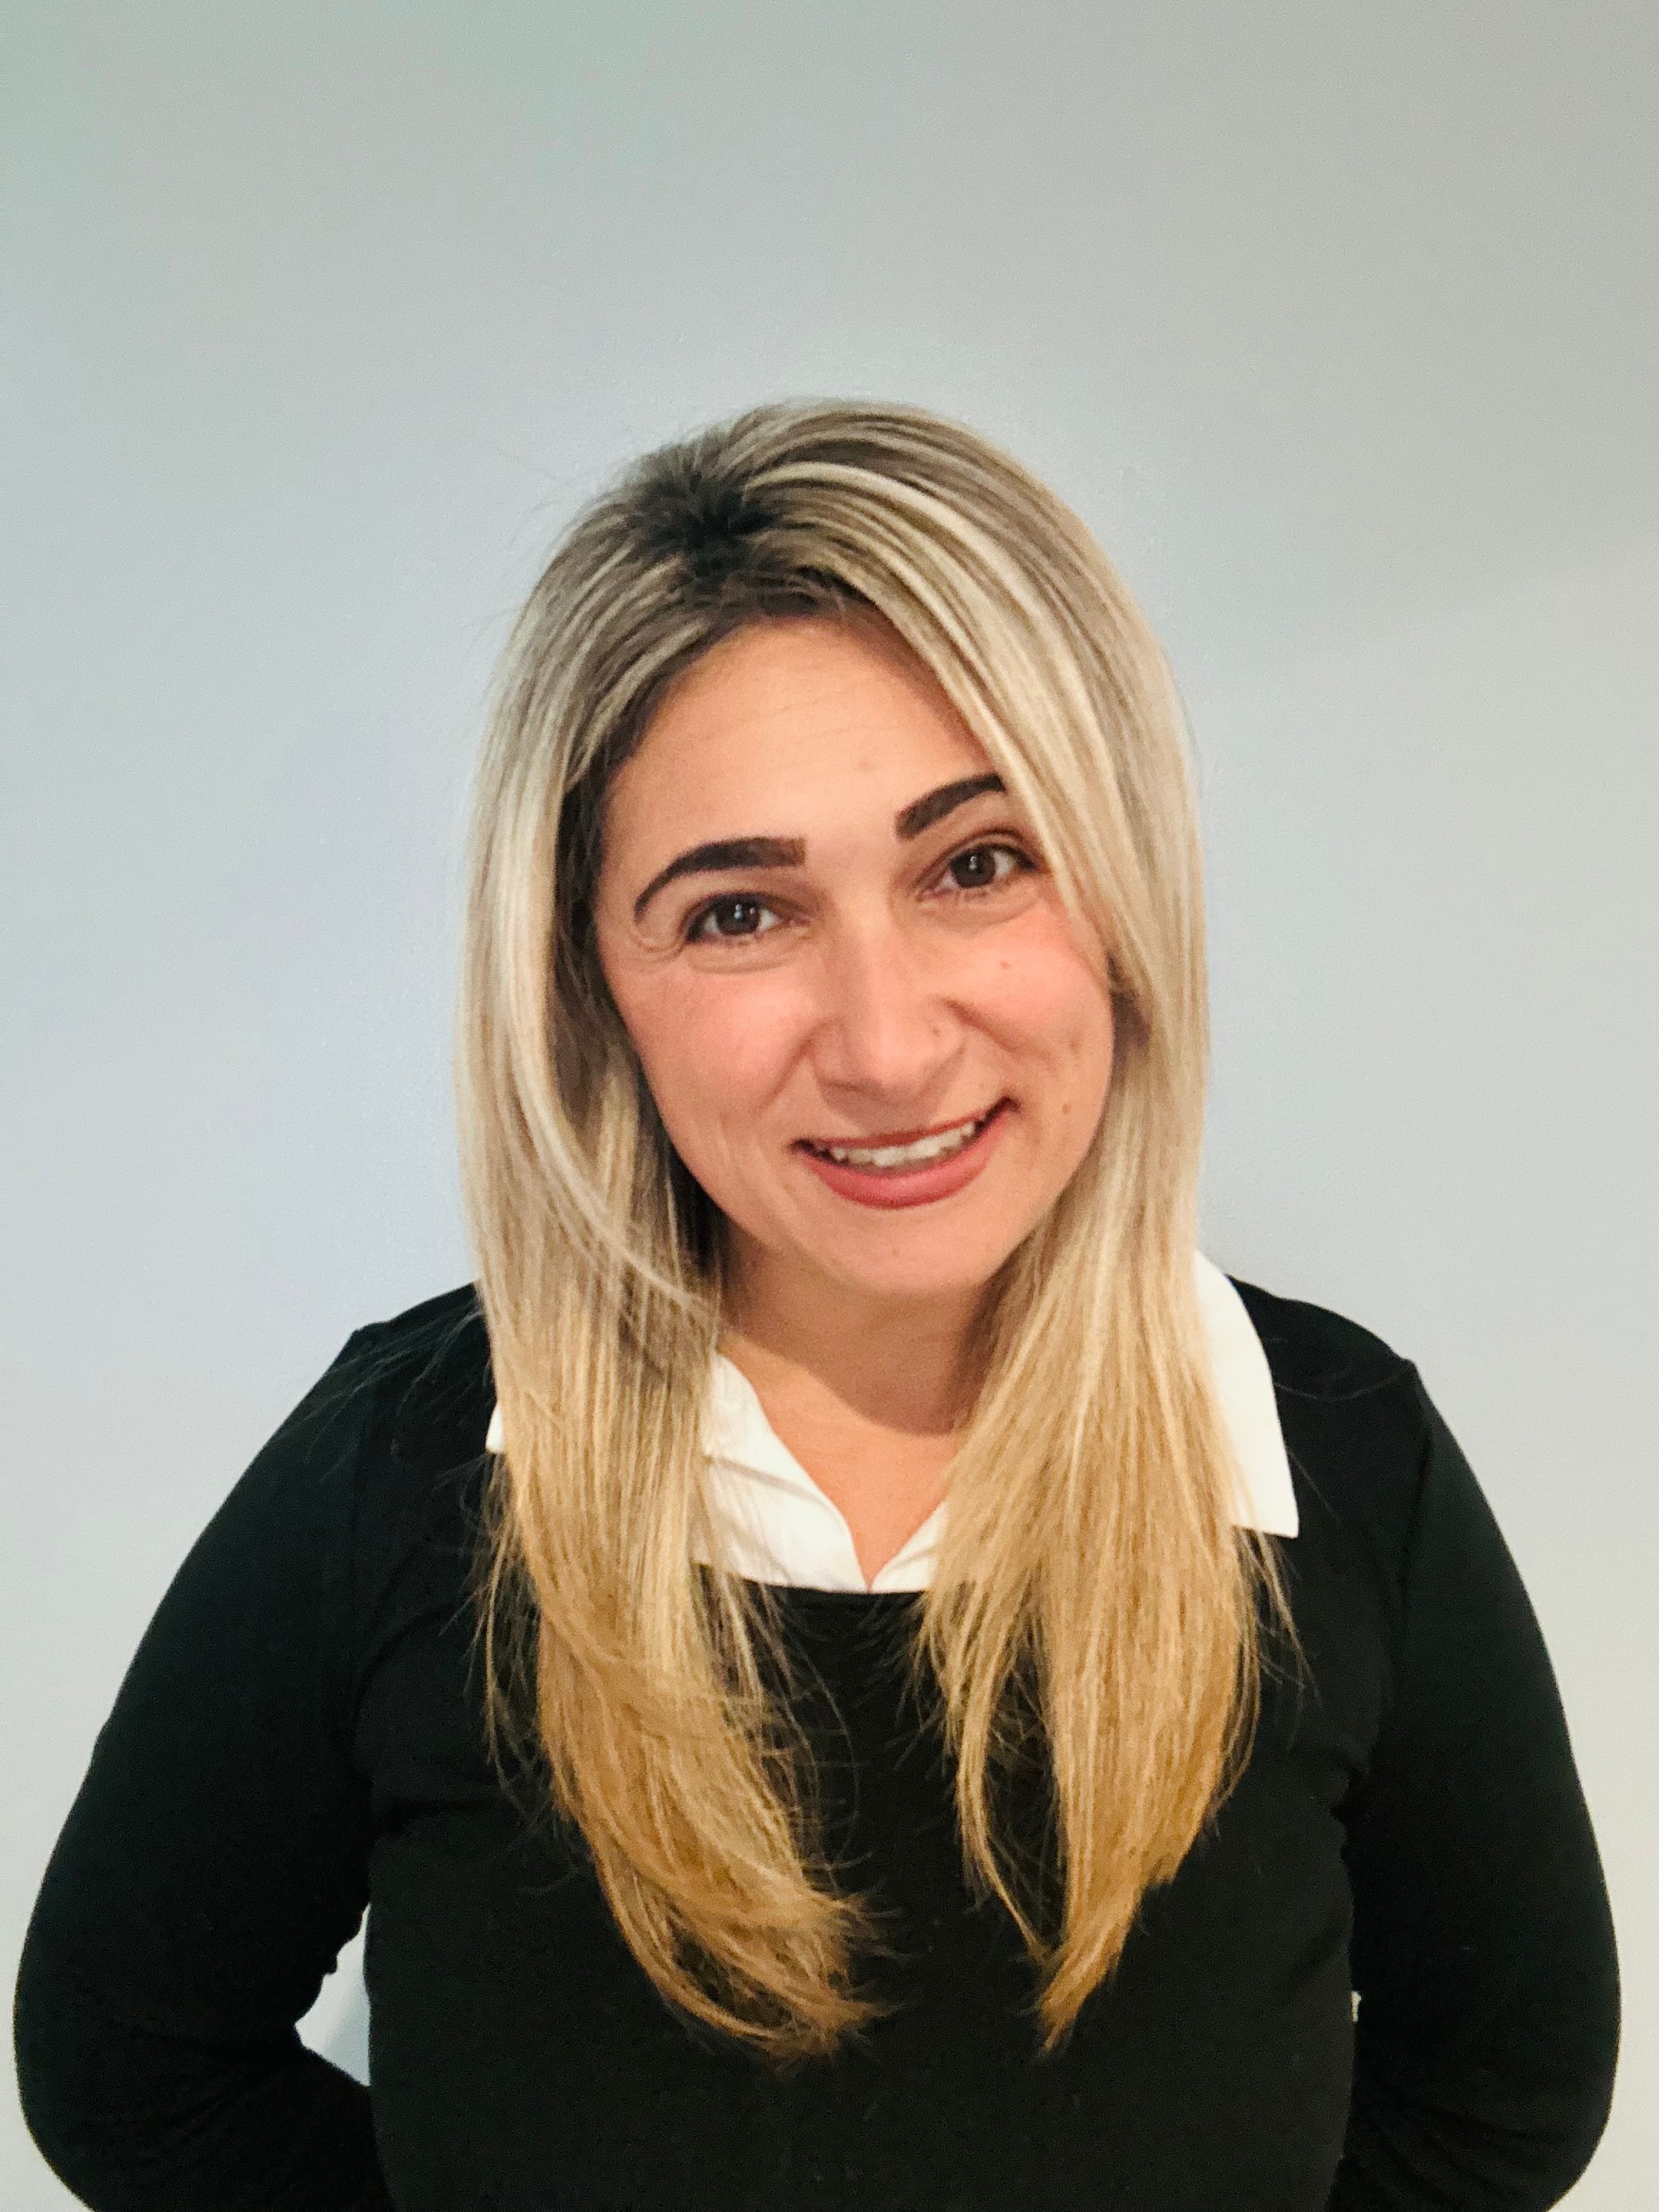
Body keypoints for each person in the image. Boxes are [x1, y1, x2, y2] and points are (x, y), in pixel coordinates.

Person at [14, 400, 1619, 2211]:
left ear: (1120, 889)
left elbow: (1501, 2096)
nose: (886, 1043)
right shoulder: (408, 1470)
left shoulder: (1340, 1463)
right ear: (590, 981)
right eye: (738, 913)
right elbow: (133, 2064)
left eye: (977, 863)